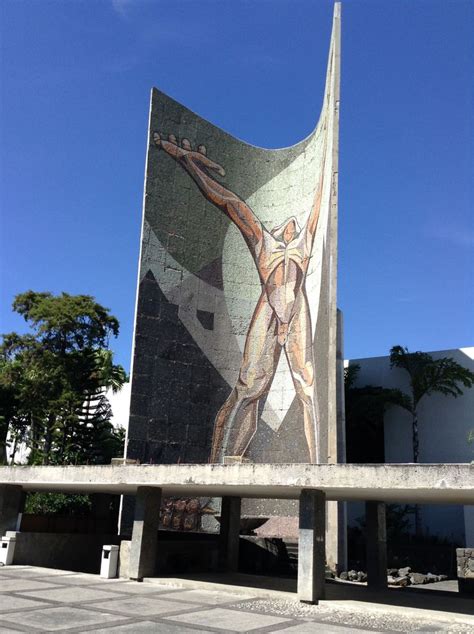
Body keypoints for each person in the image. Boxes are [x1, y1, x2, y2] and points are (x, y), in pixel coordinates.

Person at [153, 131, 326, 463]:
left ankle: (318, 466)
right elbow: (227, 201)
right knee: (249, 387)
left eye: (293, 221)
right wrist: (187, 161)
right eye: (284, 221)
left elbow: (319, 198)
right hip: (269, 308)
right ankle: (222, 468)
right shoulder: (263, 240)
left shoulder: (304, 244)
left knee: (307, 385)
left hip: (296, 311)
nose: (290, 222)